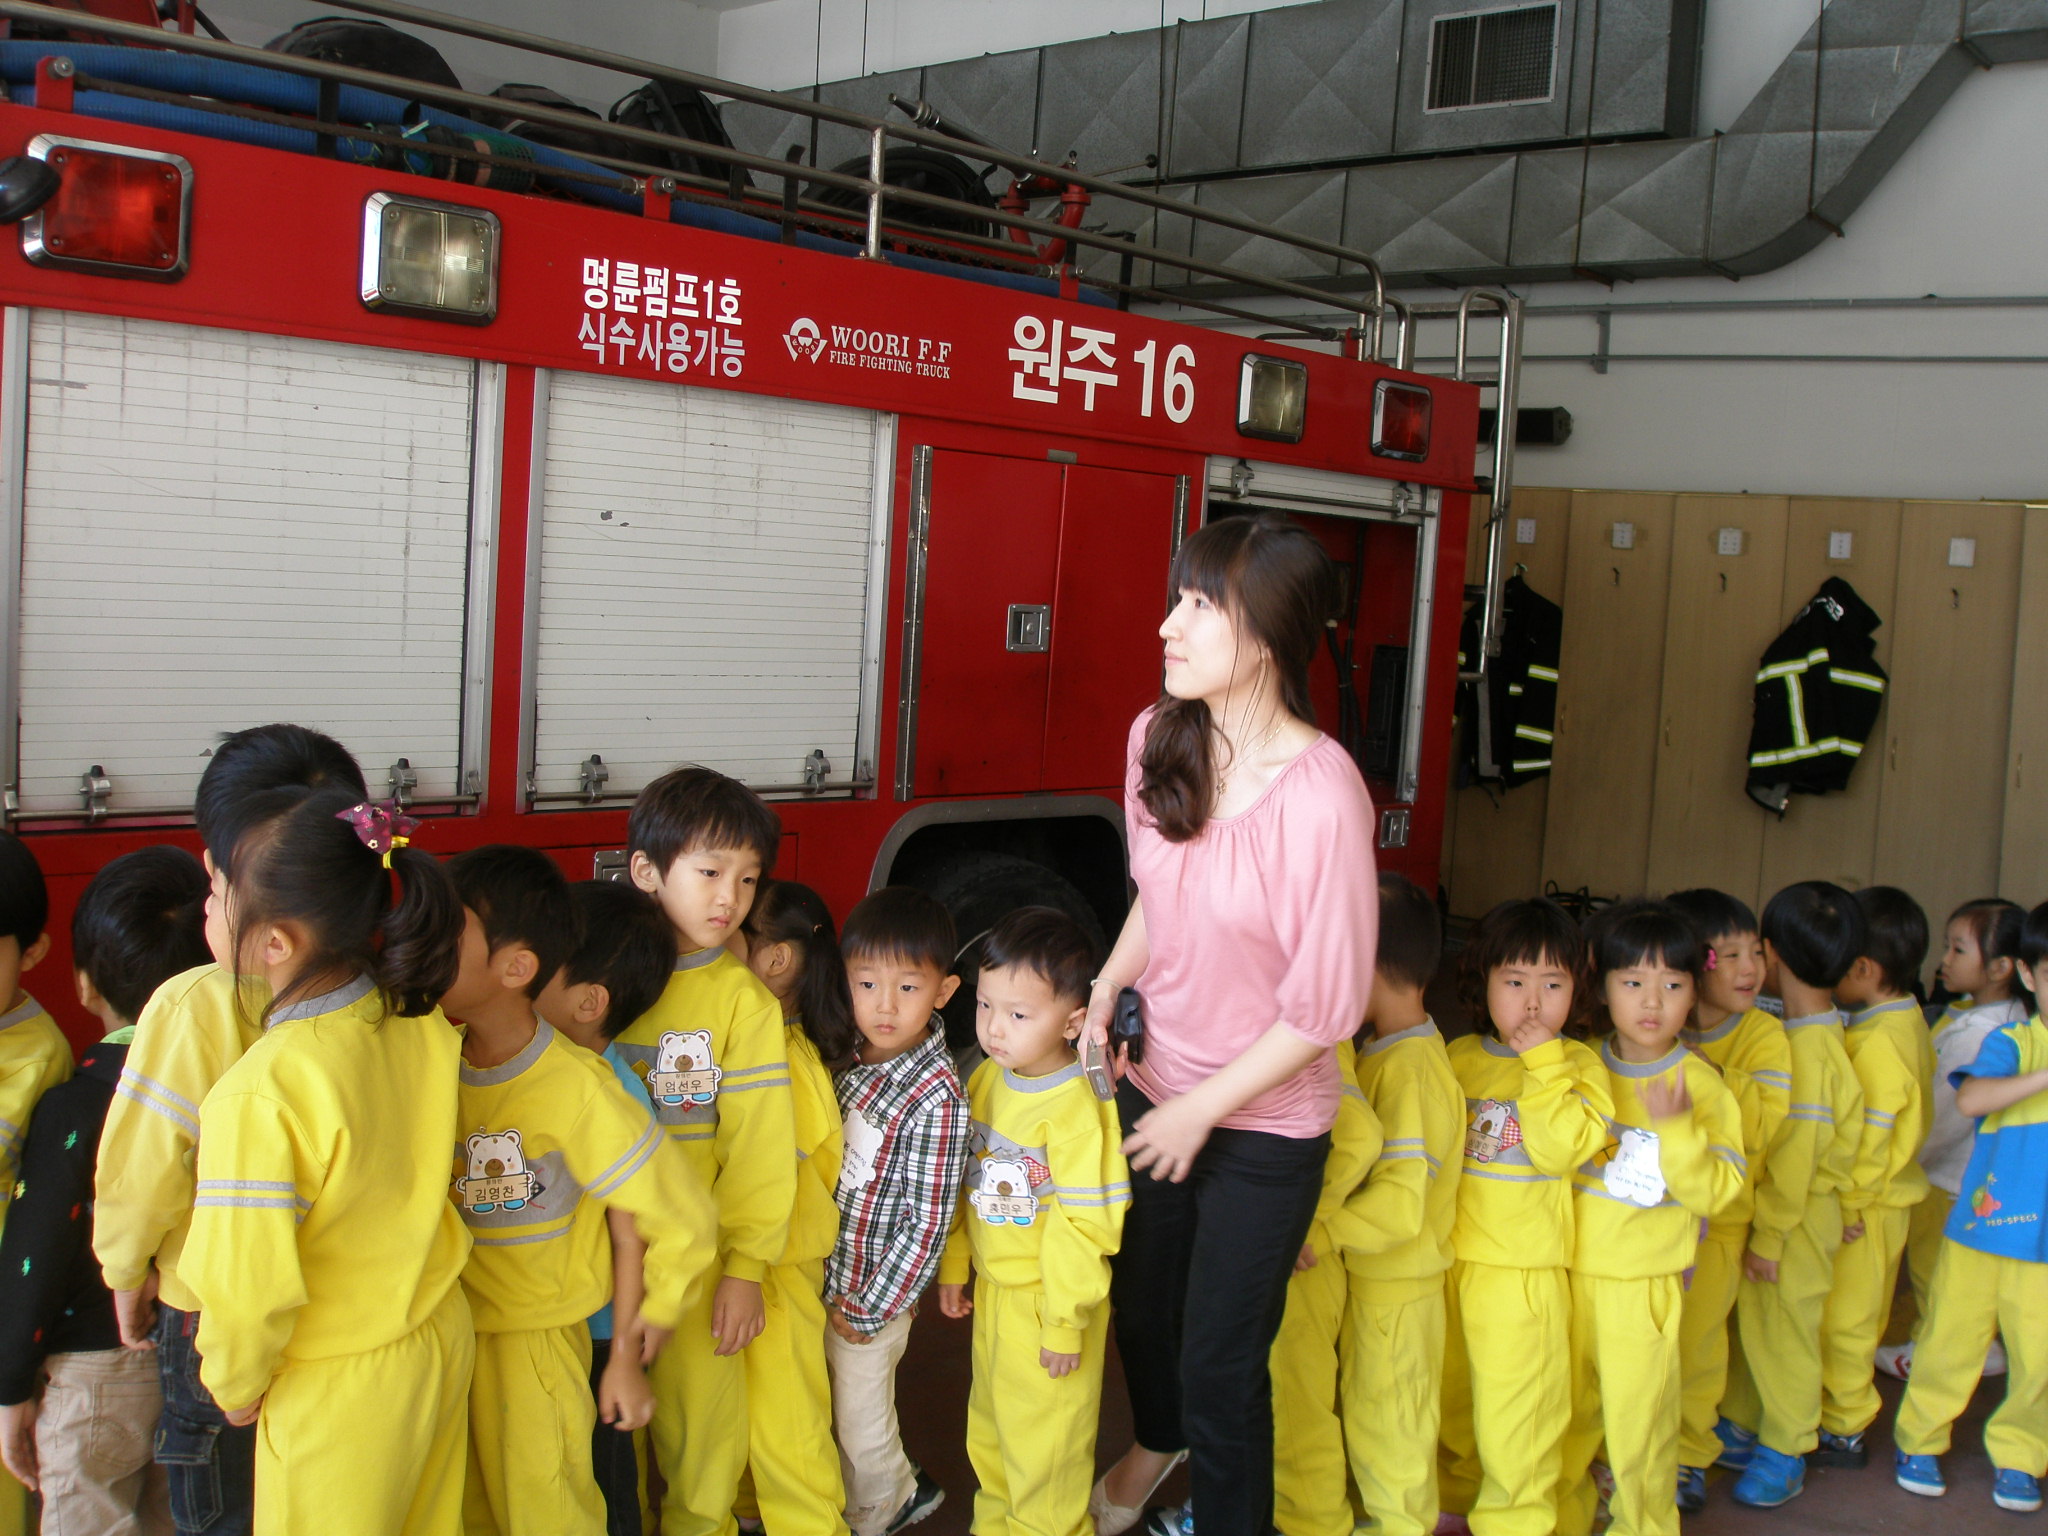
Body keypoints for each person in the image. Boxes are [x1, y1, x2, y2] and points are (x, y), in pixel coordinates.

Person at [1084, 513, 1378, 1536]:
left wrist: (1200, 1109)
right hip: (1156, 1088)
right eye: (1177, 598)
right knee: (1141, 1310)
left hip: (1262, 1128)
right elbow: (1159, 894)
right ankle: (1156, 1442)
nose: (1168, 624)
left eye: (1200, 605)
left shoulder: (1320, 798)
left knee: (1221, 1366)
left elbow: (1325, 1010)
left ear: (1265, 637)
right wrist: (1106, 984)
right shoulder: (1156, 735)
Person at [178, 785, 473, 1535]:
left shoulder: (260, 1093)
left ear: (275, 943)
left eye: (217, 892)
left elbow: (246, 1281)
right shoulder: (414, 1019)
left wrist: (233, 1379)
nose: (205, 906)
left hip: (340, 1388)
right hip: (437, 1338)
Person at [94, 724, 367, 1536]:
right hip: (345, 1317)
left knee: (224, 1503)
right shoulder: (391, 998)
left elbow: (144, 1166)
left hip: (212, 1317)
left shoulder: (191, 1005)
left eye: (214, 879)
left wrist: (124, 1269)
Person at [442, 846, 716, 1536]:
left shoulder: (582, 1089)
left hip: (541, 1350)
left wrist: (637, 1338)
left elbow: (678, 1217)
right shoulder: (430, 1056)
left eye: (447, 933)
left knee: (557, 1512)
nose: (422, 945)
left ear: (516, 969)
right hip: (453, 1338)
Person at [0, 848, 209, 1536]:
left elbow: (35, 1254)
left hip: (90, 1376)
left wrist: (10, 1385)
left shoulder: (73, 1102)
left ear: (84, 984)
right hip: (200, 1356)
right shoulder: (229, 1084)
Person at [615, 767, 795, 1536]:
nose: (731, 898)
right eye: (711, 872)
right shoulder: (602, 972)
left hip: (699, 1269)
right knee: (608, 1440)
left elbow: (759, 1148)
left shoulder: (742, 1002)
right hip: (601, 1261)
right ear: (646, 871)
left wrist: (745, 1269)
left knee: (703, 1448)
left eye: (748, 879)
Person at [937, 906, 1131, 1536]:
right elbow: (965, 1180)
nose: (994, 1028)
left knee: (1044, 1464)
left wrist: (1064, 1324)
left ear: (1074, 1022)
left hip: (1050, 1307)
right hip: (996, 1298)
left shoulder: (1077, 1107)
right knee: (993, 1442)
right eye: (984, 1005)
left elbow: (1087, 1226)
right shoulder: (989, 1078)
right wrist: (956, 1266)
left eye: (1018, 1015)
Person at [1555, 901, 1745, 1536]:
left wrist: (1678, 1128)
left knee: (1642, 1428)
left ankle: (1644, 1526)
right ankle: (1568, 1520)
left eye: (1673, 985)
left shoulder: (1702, 1085)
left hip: (1643, 1285)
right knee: (1567, 1417)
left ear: (1695, 993)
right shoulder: (1580, 1064)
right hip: (1567, 1276)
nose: (1652, 1002)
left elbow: (1718, 1190)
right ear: (1602, 987)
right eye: (1633, 981)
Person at [1436, 898, 1610, 1536]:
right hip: (1450, 1264)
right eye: (1514, 982)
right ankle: (1458, 1501)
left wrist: (1543, 1064)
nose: (1533, 1004)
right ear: (1481, 981)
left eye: (1553, 985)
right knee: (1453, 1400)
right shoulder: (1457, 1057)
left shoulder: (1578, 1066)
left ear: (1577, 990)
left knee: (1520, 1414)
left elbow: (1562, 1148)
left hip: (1524, 1275)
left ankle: (1519, 1522)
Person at [1891, 899, 2048, 1513]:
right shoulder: (2015, 1041)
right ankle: (1919, 1440)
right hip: (1982, 1229)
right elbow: (1972, 1099)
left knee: (2039, 1361)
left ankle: (2021, 1457)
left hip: (2042, 1251)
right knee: (1949, 1342)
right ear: (2028, 975)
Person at [1714, 881, 1865, 1509]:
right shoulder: (1821, 1033)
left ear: (1771, 954)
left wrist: (1771, 1236)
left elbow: (1795, 1160)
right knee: (1761, 1325)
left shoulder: (1804, 1049)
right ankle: (1745, 1424)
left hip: (1794, 1219)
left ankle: (1789, 1445)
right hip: (1802, 1213)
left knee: (1786, 1333)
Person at [825, 886, 969, 1536]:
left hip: (872, 1294)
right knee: (837, 1406)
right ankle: (888, 1487)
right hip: (828, 1273)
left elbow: (927, 1224)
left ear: (944, 991)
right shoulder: (848, 1057)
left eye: (908, 987)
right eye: (867, 984)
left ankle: (887, 1505)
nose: (884, 1005)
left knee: (861, 1417)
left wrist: (870, 1307)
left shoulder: (936, 1098)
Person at [540, 877, 681, 1536]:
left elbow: (633, 1238)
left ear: (588, 1001)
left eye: (539, 967)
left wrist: (623, 1355)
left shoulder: (617, 1095)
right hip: (558, 1323)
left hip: (598, 1332)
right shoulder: (547, 1069)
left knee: (605, 1480)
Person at [1332, 871, 1463, 1536]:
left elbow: (1401, 1205)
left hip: (1399, 1292)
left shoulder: (1411, 1073)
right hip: (1381, 1285)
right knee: (1372, 1411)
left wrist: (1320, 1229)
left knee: (1394, 1422)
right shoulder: (1389, 1052)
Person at [1662, 888, 1792, 1509]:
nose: (1750, 969)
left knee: (1697, 1344)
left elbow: (1763, 1123)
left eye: (1756, 953)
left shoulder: (1764, 1035)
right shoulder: (1655, 1028)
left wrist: (1708, 1074)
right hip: (1652, 1222)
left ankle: (1689, 1454)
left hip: (1721, 1223)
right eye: (1730, 955)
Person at [733, 880, 855, 1536]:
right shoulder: (766, 1042)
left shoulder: (785, 1060)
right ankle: (753, 1513)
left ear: (775, 959)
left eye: (735, 934)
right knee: (749, 1411)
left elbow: (770, 1179)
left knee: (791, 1427)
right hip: (755, 1265)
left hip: (777, 1266)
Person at [1881, 896, 2030, 1381]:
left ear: (2001, 968)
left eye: (1958, 949)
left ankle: (1938, 1352)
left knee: (1935, 1273)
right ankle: (1974, 1345)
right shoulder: (2003, 1018)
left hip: (1944, 1179)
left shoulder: (1977, 1034)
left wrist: (1900, 1164)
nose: (1944, 960)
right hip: (1976, 1179)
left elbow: (1941, 1123)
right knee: (1957, 1275)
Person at [1816, 885, 1933, 1467]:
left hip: (1871, 1203)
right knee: (1856, 1312)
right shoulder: (1905, 1018)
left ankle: (1845, 1425)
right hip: (1885, 1198)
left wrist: (1850, 1203)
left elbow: (1873, 1138)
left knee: (1850, 1318)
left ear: (1862, 968)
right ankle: (1839, 1410)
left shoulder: (1882, 1043)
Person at [1265, 1037, 1378, 1536]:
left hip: (1297, 1265)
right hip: (1288, 1257)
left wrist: (1304, 1223)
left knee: (1296, 1409)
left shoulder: (1315, 1039)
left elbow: (1359, 1137)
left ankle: (1312, 1525)